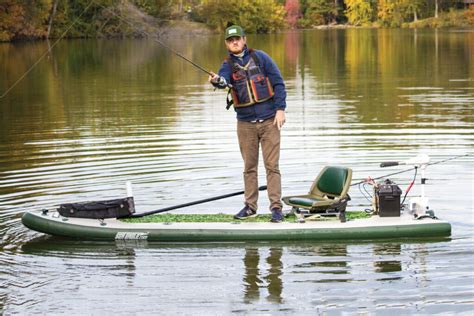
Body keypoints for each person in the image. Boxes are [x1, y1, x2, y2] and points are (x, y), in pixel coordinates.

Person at [209, 25, 287, 223]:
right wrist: (217, 81)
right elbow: (223, 81)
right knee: (249, 167)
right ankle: (250, 206)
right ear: (227, 43)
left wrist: (280, 109)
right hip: (245, 124)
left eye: (237, 38)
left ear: (244, 39)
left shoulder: (261, 58)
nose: (234, 42)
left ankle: (276, 208)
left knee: (272, 166)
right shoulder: (226, 65)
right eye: (230, 40)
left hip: (270, 121)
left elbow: (278, 83)